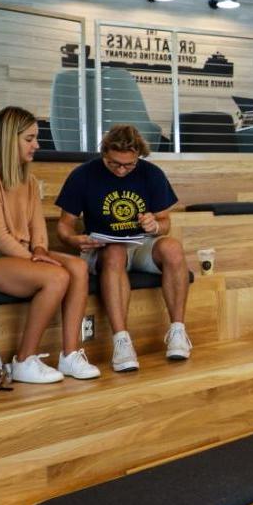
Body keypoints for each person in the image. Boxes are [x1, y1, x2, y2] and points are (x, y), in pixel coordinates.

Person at [0, 106, 99, 384]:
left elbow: (37, 225)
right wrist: (34, 259)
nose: (36, 145)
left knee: (77, 267)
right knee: (55, 277)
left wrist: (40, 250)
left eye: (35, 138)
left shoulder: (27, 179)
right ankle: (24, 360)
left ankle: (70, 354)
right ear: (8, 139)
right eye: (29, 139)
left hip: (16, 252)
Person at [56, 124, 192, 371]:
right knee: (115, 252)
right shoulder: (83, 174)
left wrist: (154, 225)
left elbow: (166, 224)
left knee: (172, 248)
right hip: (101, 247)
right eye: (113, 163)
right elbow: (64, 227)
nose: (120, 170)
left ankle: (178, 332)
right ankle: (122, 341)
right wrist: (76, 240)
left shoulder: (151, 174)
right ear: (104, 154)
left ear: (138, 156)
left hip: (140, 243)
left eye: (128, 165)